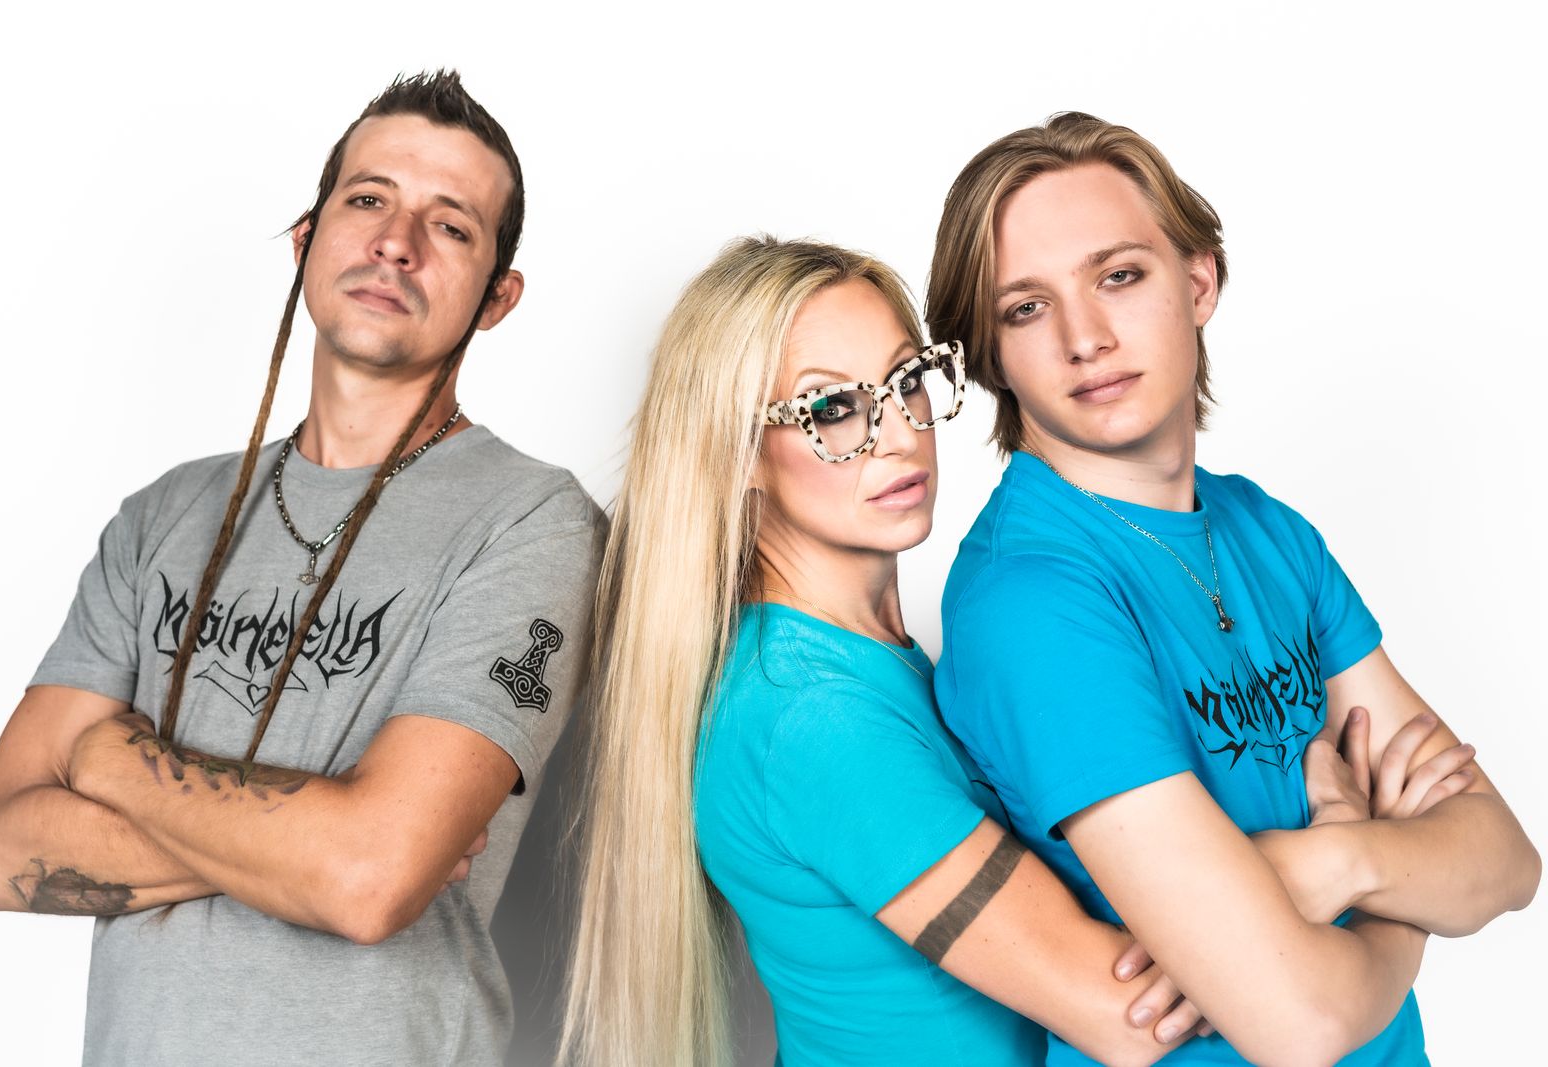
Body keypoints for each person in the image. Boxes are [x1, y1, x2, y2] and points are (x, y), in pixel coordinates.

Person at [554, 236, 1464, 1067]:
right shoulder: (807, 714)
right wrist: (1382, 885)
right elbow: (1134, 1013)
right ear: (738, 451)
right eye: (832, 407)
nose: (900, 431)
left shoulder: (874, 665)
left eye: (907, 380)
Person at [0, 71, 604, 1065]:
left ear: (497, 298)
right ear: (307, 240)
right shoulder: (163, 516)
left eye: (451, 225)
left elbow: (369, 879)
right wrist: (323, 840)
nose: (397, 242)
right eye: (368, 199)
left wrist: (106, 761)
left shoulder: (534, 521)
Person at [928, 112, 1540, 1066]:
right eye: (1026, 308)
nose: (1085, 337)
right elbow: (1299, 1022)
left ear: (1199, 281)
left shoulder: (1265, 528)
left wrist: (1336, 857)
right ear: (991, 353)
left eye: (1118, 276)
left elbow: (1505, 860)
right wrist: (1393, 879)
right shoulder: (1029, 600)